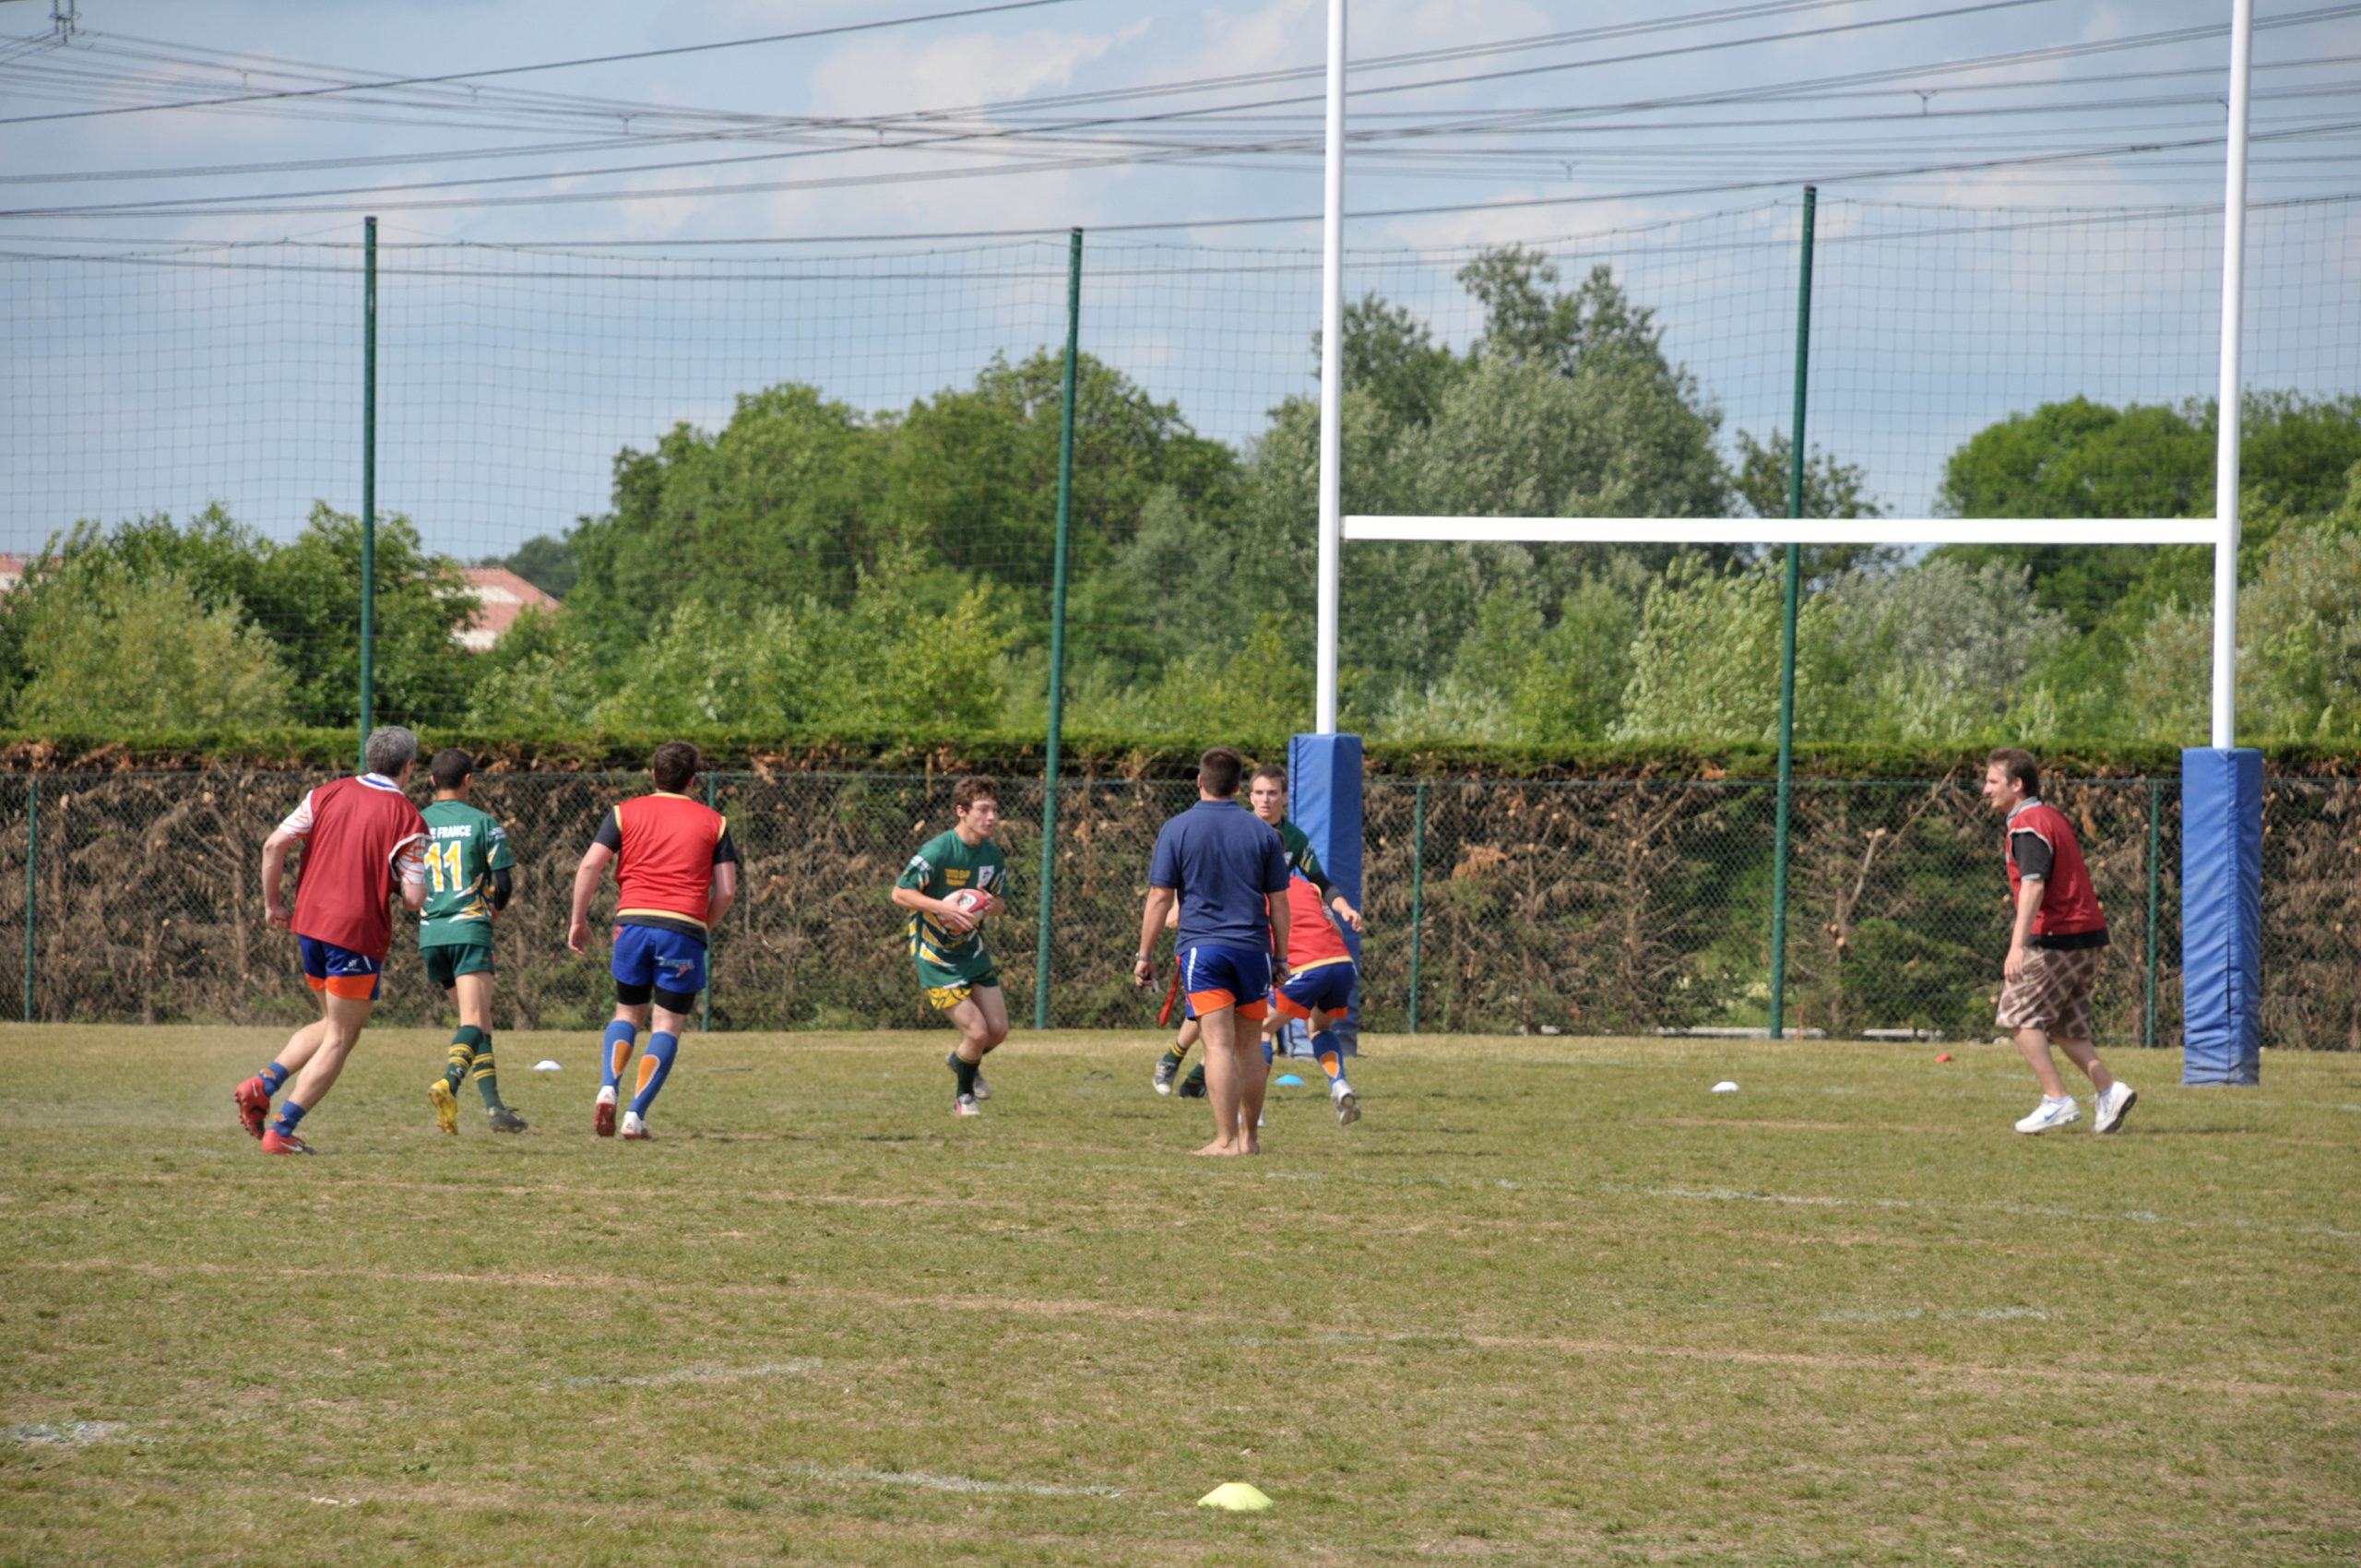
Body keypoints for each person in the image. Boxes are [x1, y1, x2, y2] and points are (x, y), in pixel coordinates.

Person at [233, 726, 431, 1155]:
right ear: (409, 766)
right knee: (342, 1036)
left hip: (310, 928)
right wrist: (403, 880)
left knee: (332, 1026)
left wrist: (273, 905)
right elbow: (415, 898)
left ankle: (262, 1083)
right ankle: (281, 1131)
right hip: (355, 935)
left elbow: (273, 846)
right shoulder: (408, 817)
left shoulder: (326, 793)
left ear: (370, 757)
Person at [1157, 765, 1367, 1127]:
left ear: (1285, 798)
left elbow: (1319, 882)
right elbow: (1199, 867)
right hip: (1253, 934)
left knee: (1245, 1026)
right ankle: (1178, 1062)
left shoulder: (1293, 842)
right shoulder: (1234, 825)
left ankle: (1236, 1100)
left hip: (1260, 934)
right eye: (1258, 793)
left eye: (1272, 793)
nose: (1265, 800)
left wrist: (1341, 905)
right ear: (1246, 794)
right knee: (1236, 1019)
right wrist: (1180, 904)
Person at [567, 742, 739, 1141]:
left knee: (627, 1013)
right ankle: (634, 1117)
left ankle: (609, 1085)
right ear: (694, 781)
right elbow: (727, 891)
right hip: (682, 928)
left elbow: (591, 863)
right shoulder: (715, 822)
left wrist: (578, 920)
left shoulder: (624, 813)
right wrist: (701, 928)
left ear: (653, 775)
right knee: (667, 1023)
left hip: (632, 924)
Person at [1134, 746, 1290, 1156]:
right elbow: (1279, 902)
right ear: (1240, 787)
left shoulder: (1177, 828)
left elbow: (1159, 897)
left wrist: (1144, 955)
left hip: (1204, 951)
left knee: (1217, 1046)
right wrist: (1281, 958)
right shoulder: (1264, 833)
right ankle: (1250, 1140)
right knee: (1250, 1045)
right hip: (1254, 951)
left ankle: (1225, 1141)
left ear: (1200, 782)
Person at [1984, 748, 2135, 1135]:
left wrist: (2018, 945)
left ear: (2017, 785)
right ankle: (2109, 1090)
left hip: (2054, 936)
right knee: (2067, 1026)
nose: (1985, 790)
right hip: (2085, 934)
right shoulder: (2050, 816)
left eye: (1992, 781)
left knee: (2017, 1016)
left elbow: (2034, 884)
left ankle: (2056, 1099)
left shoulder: (2028, 823)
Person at [418, 748, 526, 1135]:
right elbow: (506, 883)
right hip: (469, 929)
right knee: (475, 1021)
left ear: (432, 781)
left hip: (431, 935)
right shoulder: (484, 822)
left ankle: (496, 1108)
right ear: (468, 780)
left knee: (478, 1022)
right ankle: (448, 1083)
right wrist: (492, 915)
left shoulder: (415, 822)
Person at [891, 776, 1011, 1118]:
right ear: (961, 811)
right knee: (976, 1031)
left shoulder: (992, 856)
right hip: (935, 956)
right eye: (983, 810)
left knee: (997, 1031)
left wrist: (988, 904)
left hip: (970, 950)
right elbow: (900, 893)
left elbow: (1001, 902)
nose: (991, 817)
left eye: (994, 810)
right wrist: (944, 907)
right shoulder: (938, 850)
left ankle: (960, 1061)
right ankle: (964, 1097)